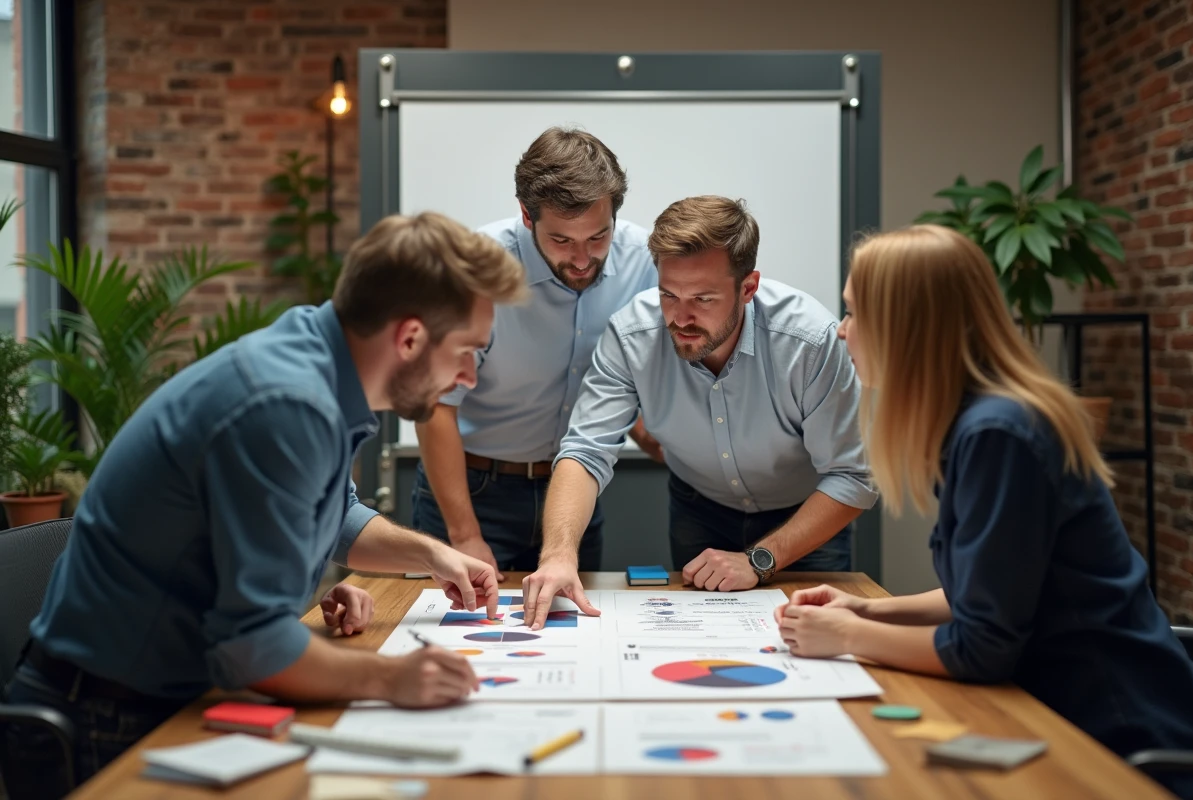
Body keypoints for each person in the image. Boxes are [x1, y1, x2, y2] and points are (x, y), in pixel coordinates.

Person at [0, 212, 528, 798]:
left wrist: (434, 556)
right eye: (467, 351)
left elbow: (336, 517)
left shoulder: (318, 356)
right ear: (408, 338)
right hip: (106, 722)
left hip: (155, 694)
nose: (470, 377)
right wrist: (393, 676)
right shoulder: (287, 403)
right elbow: (255, 649)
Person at [776, 224, 1193, 799]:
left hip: (1117, 743)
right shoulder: (980, 421)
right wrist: (872, 612)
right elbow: (987, 594)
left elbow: (982, 648)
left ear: (907, 326)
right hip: (1063, 712)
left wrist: (847, 634)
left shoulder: (999, 433)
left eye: (855, 313)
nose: (842, 331)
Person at [521, 196, 877, 627]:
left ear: (748, 288)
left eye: (703, 299)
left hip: (804, 518)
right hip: (699, 508)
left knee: (817, 643)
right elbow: (584, 450)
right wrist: (559, 555)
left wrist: (759, 560)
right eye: (669, 295)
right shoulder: (632, 334)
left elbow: (853, 476)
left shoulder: (809, 341)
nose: (681, 317)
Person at [412, 127, 660, 580]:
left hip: (575, 490)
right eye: (562, 241)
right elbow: (434, 407)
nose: (583, 259)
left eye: (598, 237)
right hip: (471, 489)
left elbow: (635, 371)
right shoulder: (476, 268)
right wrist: (465, 534)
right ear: (527, 215)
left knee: (571, 633)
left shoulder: (642, 261)